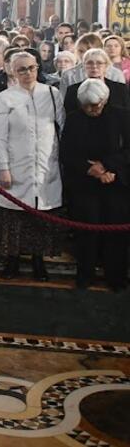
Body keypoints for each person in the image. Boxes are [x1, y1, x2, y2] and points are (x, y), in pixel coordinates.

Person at [0, 52, 64, 281]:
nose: (27, 73)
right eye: (21, 69)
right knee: (14, 216)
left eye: (31, 68)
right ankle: (12, 261)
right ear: (13, 71)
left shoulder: (52, 94)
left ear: (37, 68)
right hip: (15, 164)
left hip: (46, 164)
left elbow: (62, 127)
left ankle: (38, 261)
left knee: (40, 215)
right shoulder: (5, 98)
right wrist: (3, 167)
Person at [60, 79, 129, 291]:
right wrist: (90, 169)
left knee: (116, 232)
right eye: (88, 105)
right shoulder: (74, 120)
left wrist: (108, 168)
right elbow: (66, 153)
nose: (93, 108)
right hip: (85, 184)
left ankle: (116, 277)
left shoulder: (123, 116)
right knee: (86, 232)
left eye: (97, 104)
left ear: (105, 100)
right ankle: (85, 274)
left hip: (117, 183)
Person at [62, 48, 130, 116]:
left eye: (99, 63)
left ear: (106, 66)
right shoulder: (72, 90)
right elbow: (70, 116)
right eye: (90, 63)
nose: (94, 66)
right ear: (83, 66)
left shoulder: (121, 89)